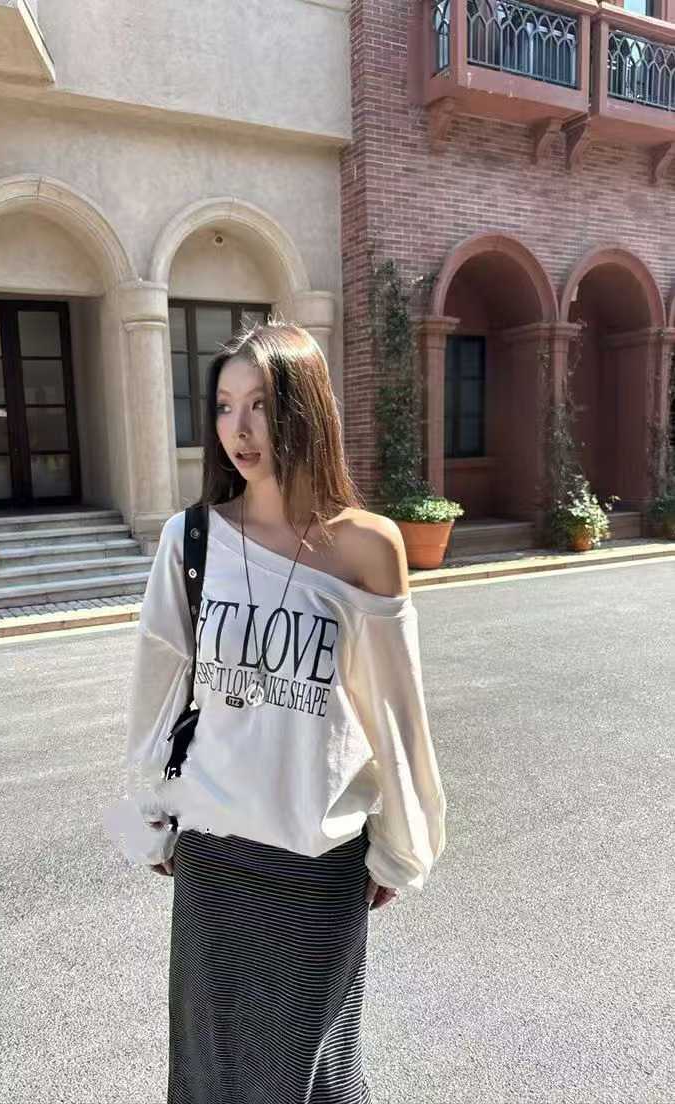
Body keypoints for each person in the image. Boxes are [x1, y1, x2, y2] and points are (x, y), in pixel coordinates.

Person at [123, 321, 447, 1104]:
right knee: (211, 1069)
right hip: (214, 852)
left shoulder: (368, 546)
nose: (238, 429)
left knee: (314, 1073)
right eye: (224, 406)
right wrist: (147, 819)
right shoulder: (191, 539)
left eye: (261, 405)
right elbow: (157, 694)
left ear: (305, 410)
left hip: (317, 857)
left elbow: (396, 714)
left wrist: (401, 847)